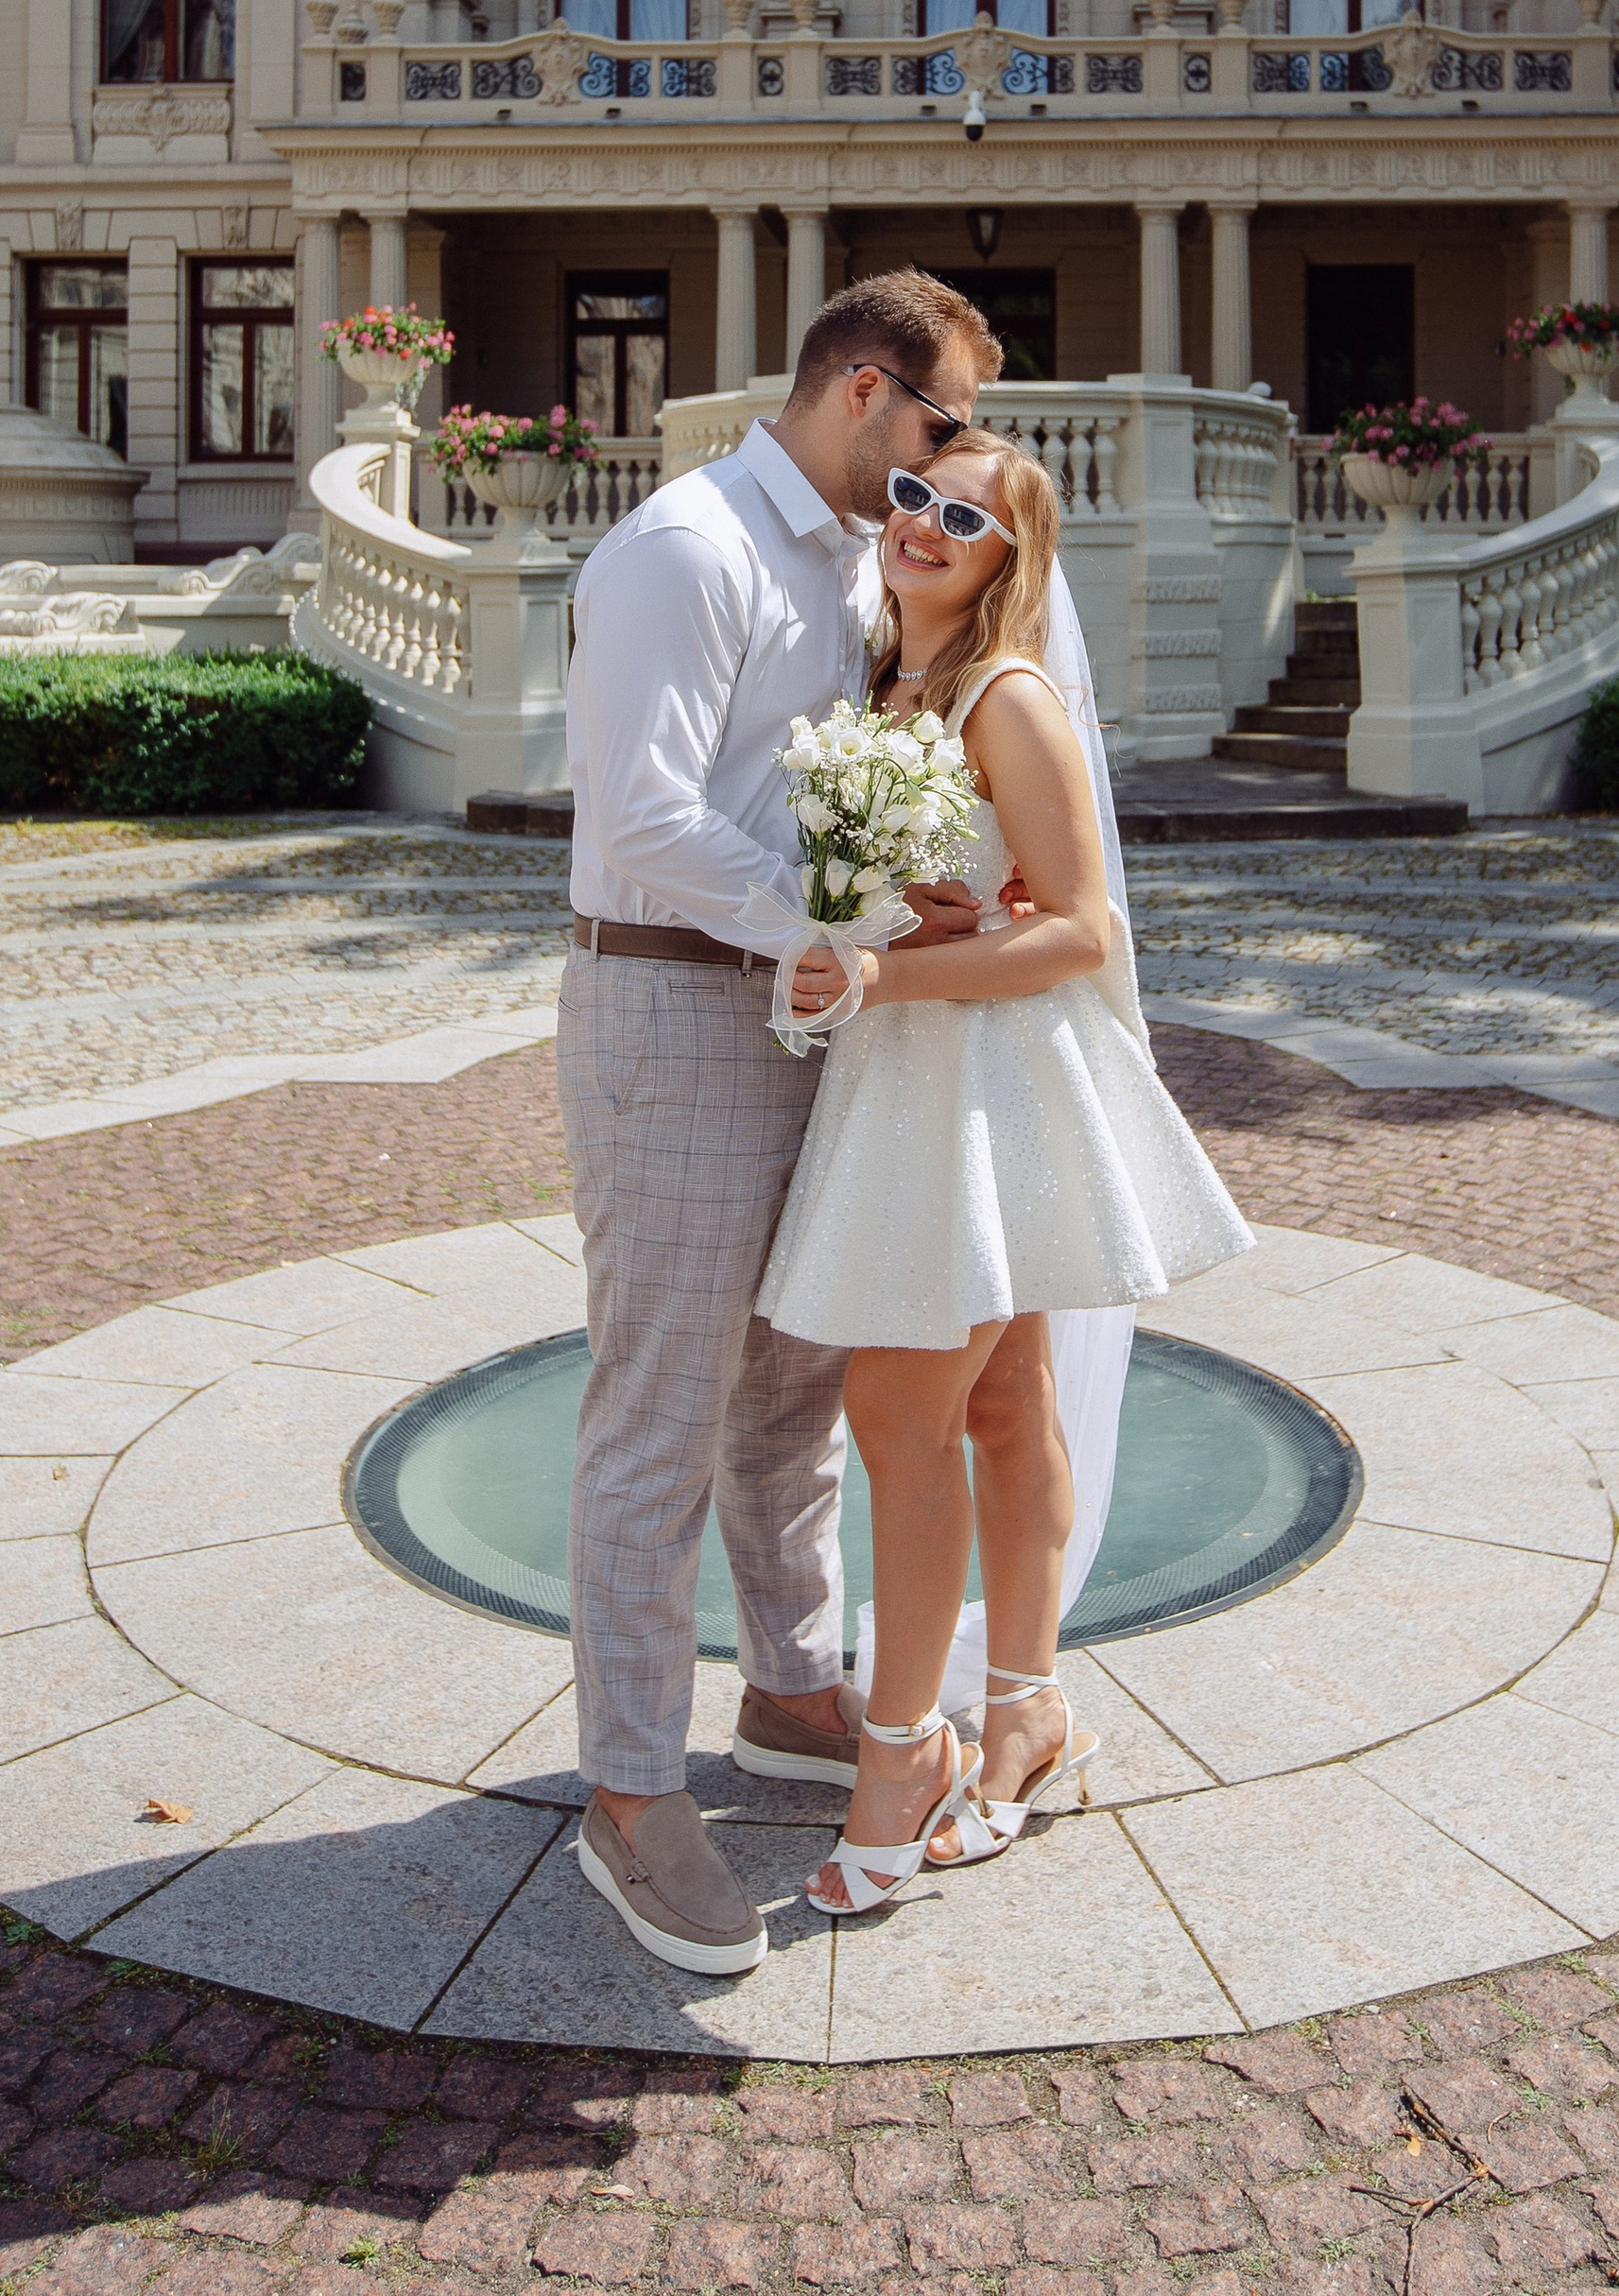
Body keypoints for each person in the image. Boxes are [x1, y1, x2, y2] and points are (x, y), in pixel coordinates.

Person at [558, 269, 1001, 1977]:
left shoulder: (834, 553)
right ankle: (625, 1793)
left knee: (794, 1387)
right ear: (868, 393)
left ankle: (789, 1688)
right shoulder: (683, 547)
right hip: (668, 1003)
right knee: (661, 1406)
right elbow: (649, 815)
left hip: (805, 1009)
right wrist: (849, 925)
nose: (945, 460)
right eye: (941, 424)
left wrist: (893, 904)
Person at [760, 426, 1251, 1917]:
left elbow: (1084, 927)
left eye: (962, 518)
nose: (922, 524)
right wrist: (894, 925)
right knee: (995, 1396)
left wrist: (882, 981)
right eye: (912, 494)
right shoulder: (878, 687)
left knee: (890, 1405)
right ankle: (1029, 1710)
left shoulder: (1009, 694)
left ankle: (901, 1748)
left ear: (1008, 559)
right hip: (912, 1075)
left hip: (982, 1083)